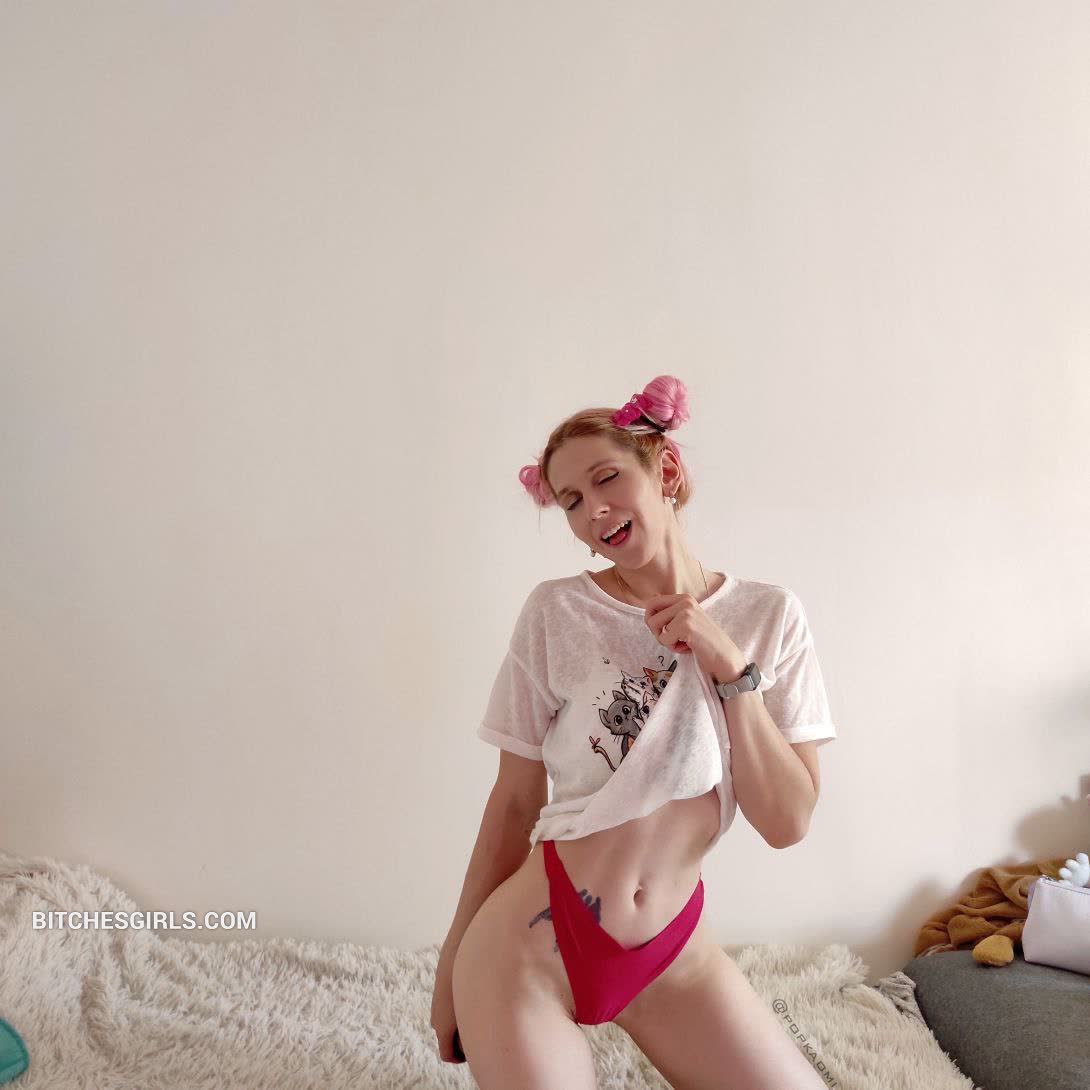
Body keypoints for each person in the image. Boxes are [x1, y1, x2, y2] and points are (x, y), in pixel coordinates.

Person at [431, 375, 836, 1089]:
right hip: (531, 946)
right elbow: (514, 803)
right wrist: (450, 964)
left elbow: (787, 822)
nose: (593, 510)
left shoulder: (769, 617)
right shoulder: (557, 612)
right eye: (571, 501)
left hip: (674, 958)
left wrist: (732, 669)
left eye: (606, 478)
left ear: (666, 471)